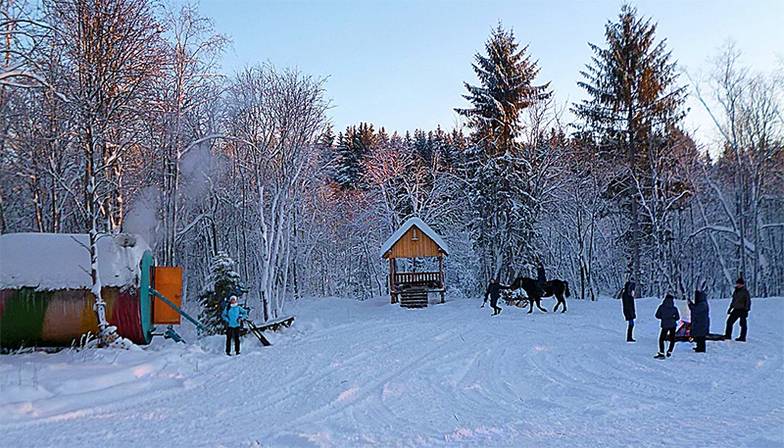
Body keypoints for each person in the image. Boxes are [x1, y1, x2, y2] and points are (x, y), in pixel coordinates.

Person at [725, 277, 751, 342]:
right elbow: (733, 301)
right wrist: (730, 308)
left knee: (742, 324)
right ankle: (728, 336)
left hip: (742, 310)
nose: (738, 285)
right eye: (737, 284)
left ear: (742, 285)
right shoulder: (736, 291)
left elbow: (748, 301)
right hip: (736, 309)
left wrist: (747, 310)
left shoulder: (745, 292)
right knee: (729, 322)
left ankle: (742, 337)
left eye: (739, 284)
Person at [654, 293, 680, 359]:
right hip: (673, 325)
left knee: (661, 339)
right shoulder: (674, 308)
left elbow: (657, 315)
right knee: (672, 339)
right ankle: (670, 351)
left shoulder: (661, 307)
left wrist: (663, 317)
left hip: (665, 325)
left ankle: (662, 352)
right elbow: (678, 317)